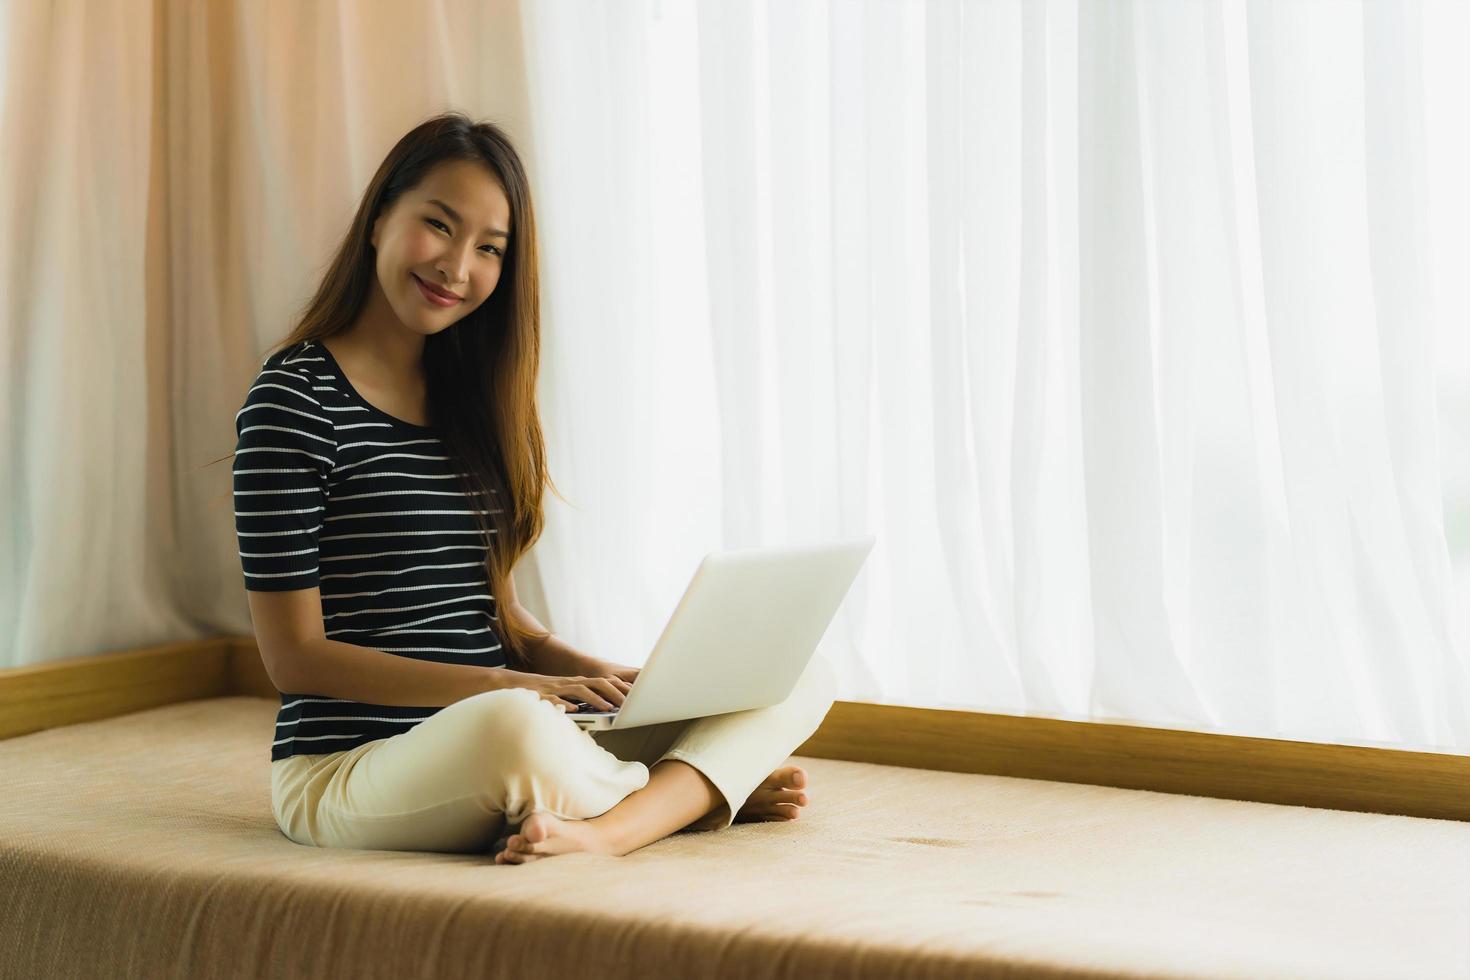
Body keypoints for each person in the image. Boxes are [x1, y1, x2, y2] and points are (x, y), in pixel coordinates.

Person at [232, 111, 836, 865]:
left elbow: (502, 615)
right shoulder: (293, 398)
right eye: (439, 226)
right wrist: (501, 685)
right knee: (513, 726)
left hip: (503, 721)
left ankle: (614, 820)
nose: (458, 266)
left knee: (793, 671)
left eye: (490, 248)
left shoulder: (470, 400)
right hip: (350, 767)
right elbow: (295, 659)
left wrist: (597, 676)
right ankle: (695, 794)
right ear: (381, 213)